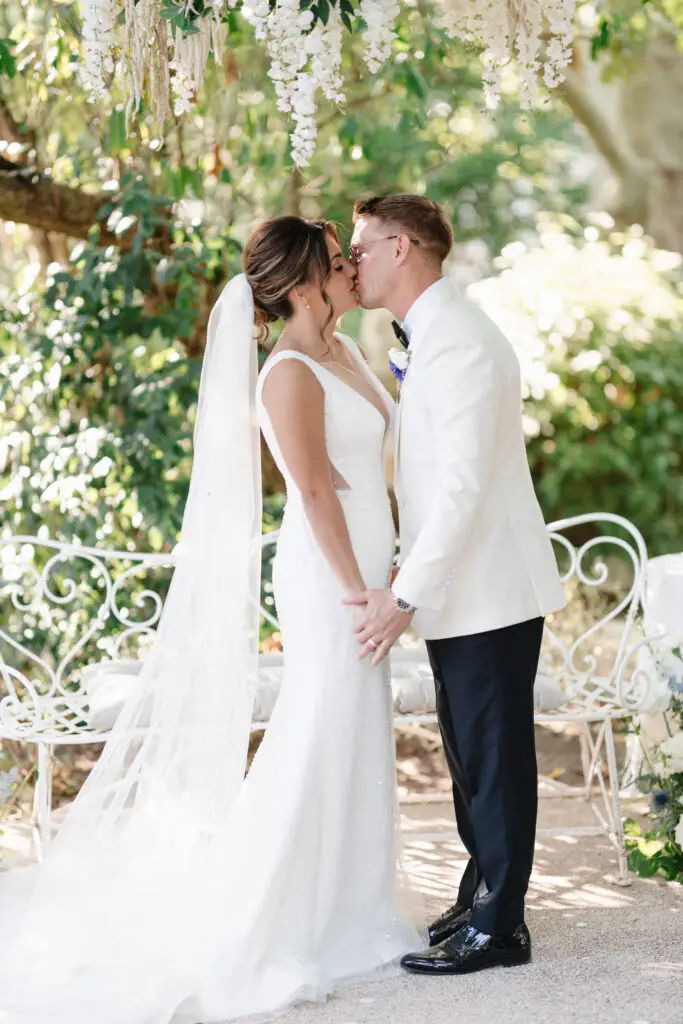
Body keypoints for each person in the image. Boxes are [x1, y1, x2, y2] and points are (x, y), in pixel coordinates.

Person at [0, 216, 420, 1024]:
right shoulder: (288, 373)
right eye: (336, 263)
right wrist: (360, 592)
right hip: (330, 577)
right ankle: (279, 915)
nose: (349, 271)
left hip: (374, 568)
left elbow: (378, 466)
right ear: (302, 286)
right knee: (319, 723)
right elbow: (315, 492)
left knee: (357, 728)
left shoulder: (352, 353)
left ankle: (353, 907)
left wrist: (398, 565)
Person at [346, 194, 566, 975]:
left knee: (495, 757)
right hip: (461, 594)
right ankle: (483, 895)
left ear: (402, 247)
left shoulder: (463, 342)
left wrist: (405, 591)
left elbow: (464, 487)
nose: (353, 261)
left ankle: (500, 928)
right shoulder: (431, 337)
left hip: (488, 591)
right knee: (471, 756)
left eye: (361, 246)